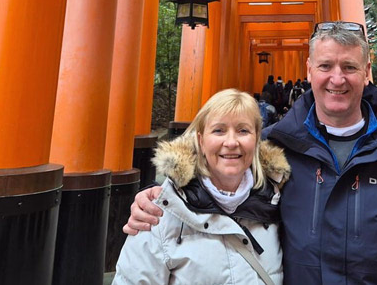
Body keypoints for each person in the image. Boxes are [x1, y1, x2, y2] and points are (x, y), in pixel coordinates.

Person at [125, 22, 377, 284]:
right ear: (309, 70)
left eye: (349, 67)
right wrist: (157, 199)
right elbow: (214, 180)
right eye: (325, 66)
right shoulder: (273, 150)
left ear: (368, 72)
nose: (337, 78)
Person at [114, 88, 290, 285]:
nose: (231, 142)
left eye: (243, 130)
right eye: (218, 130)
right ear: (201, 140)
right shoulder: (159, 213)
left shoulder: (278, 203)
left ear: (256, 138)